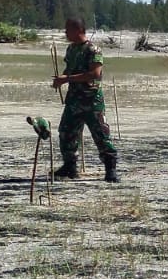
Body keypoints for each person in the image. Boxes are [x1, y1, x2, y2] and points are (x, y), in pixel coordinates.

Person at [51, 17, 119, 183]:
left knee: (101, 134)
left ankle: (110, 169)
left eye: (68, 30)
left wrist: (67, 79)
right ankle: (70, 167)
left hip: (91, 100)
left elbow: (95, 74)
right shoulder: (71, 49)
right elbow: (69, 69)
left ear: (78, 30)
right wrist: (61, 79)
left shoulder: (93, 50)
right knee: (66, 132)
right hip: (74, 100)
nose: (65, 33)